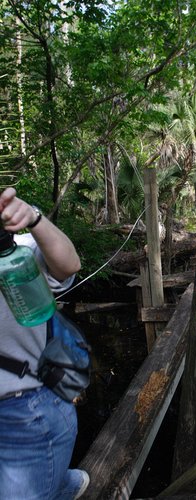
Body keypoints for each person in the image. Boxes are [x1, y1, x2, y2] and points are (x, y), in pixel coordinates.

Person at [0, 187, 90, 500]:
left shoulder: (18, 254)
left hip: (26, 409)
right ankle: (58, 481)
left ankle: (56, 480)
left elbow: (69, 265)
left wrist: (34, 218)